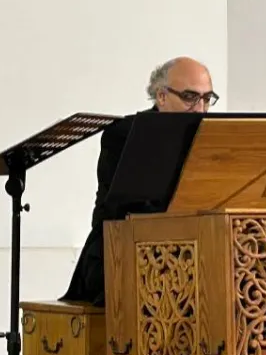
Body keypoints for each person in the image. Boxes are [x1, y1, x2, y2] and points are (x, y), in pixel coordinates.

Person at [60, 57, 216, 306]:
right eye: (190, 97)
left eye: (207, 99)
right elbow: (125, 208)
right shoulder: (125, 132)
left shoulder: (211, 135)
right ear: (161, 96)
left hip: (188, 252)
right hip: (122, 255)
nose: (200, 109)